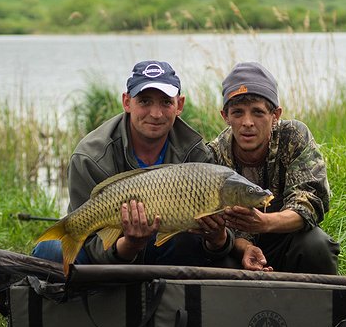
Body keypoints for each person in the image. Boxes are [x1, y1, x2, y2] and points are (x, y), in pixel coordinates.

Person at [32, 60, 233, 266]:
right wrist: (129, 246)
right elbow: (92, 243)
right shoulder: (90, 157)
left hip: (169, 251)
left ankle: (167, 295)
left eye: (166, 102)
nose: (156, 114)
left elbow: (217, 243)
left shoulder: (196, 153)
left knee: (194, 241)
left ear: (179, 105)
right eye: (145, 101)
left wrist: (218, 239)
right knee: (49, 250)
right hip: (113, 252)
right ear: (127, 102)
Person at [207, 61, 340, 274]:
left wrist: (265, 222)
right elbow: (219, 228)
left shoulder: (293, 136)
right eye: (238, 113)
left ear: (275, 115)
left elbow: (309, 202)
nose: (247, 122)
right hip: (238, 249)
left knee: (316, 244)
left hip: (286, 238)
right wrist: (246, 248)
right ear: (225, 116)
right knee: (213, 258)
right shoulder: (213, 155)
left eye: (258, 113)